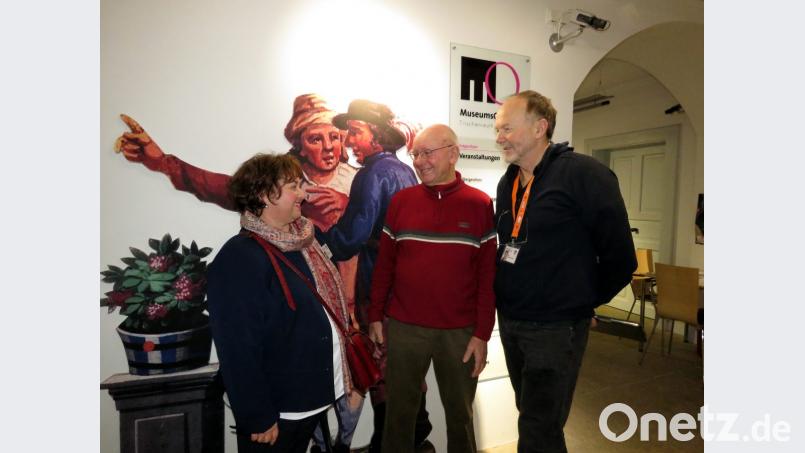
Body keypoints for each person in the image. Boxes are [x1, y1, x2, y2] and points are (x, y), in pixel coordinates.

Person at [492, 90, 637, 452]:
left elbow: (621, 259)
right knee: (533, 415)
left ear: (541, 127)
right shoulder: (508, 181)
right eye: (497, 130)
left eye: (507, 128)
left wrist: (581, 303)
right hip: (511, 320)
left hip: (555, 329)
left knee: (540, 427)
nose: (499, 138)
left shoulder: (585, 175)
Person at [207, 154, 356, 452]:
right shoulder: (240, 257)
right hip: (279, 413)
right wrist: (257, 416)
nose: (303, 193)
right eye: (293, 186)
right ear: (264, 194)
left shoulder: (304, 240)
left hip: (312, 398)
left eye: (301, 184)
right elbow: (237, 347)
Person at [367, 124, 496, 453]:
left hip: (461, 333)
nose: (420, 161)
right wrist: (376, 317)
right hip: (405, 327)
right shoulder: (401, 202)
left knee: (460, 417)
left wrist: (482, 334)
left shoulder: (479, 205)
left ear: (453, 153)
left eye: (428, 153)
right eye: (416, 154)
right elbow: (384, 267)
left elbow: (487, 277)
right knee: (398, 416)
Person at [315, 99, 434, 452]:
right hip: (406, 288)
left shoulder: (372, 174)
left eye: (355, 132)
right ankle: (411, 432)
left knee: (381, 364)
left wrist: (317, 234)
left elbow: (349, 238)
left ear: (377, 135)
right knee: (400, 363)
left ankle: (396, 437)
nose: (348, 140)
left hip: (378, 286)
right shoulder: (403, 171)